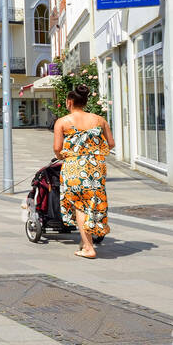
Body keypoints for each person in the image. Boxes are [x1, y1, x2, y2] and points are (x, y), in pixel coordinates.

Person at [54, 84, 114, 260]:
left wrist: (67, 155)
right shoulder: (99, 120)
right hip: (95, 166)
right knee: (92, 202)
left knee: (80, 205)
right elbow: (111, 143)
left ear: (70, 102)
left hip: (74, 167)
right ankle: (86, 240)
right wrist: (93, 152)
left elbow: (57, 148)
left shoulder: (63, 122)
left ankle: (88, 247)